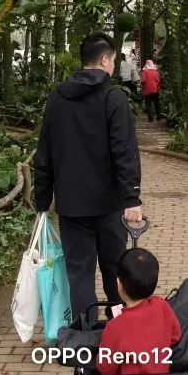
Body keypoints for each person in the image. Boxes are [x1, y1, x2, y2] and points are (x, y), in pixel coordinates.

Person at [34, 31, 142, 321]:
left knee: (79, 273)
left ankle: (84, 331)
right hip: (109, 204)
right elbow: (125, 151)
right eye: (113, 60)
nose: (113, 66)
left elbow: (44, 153)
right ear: (105, 60)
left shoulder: (57, 99)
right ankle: (119, 325)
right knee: (115, 269)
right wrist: (132, 198)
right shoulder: (113, 98)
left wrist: (42, 202)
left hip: (71, 204)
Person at [96, 248, 182, 375]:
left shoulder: (115, 326)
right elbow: (175, 336)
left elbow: (105, 369)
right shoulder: (161, 305)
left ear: (119, 284)